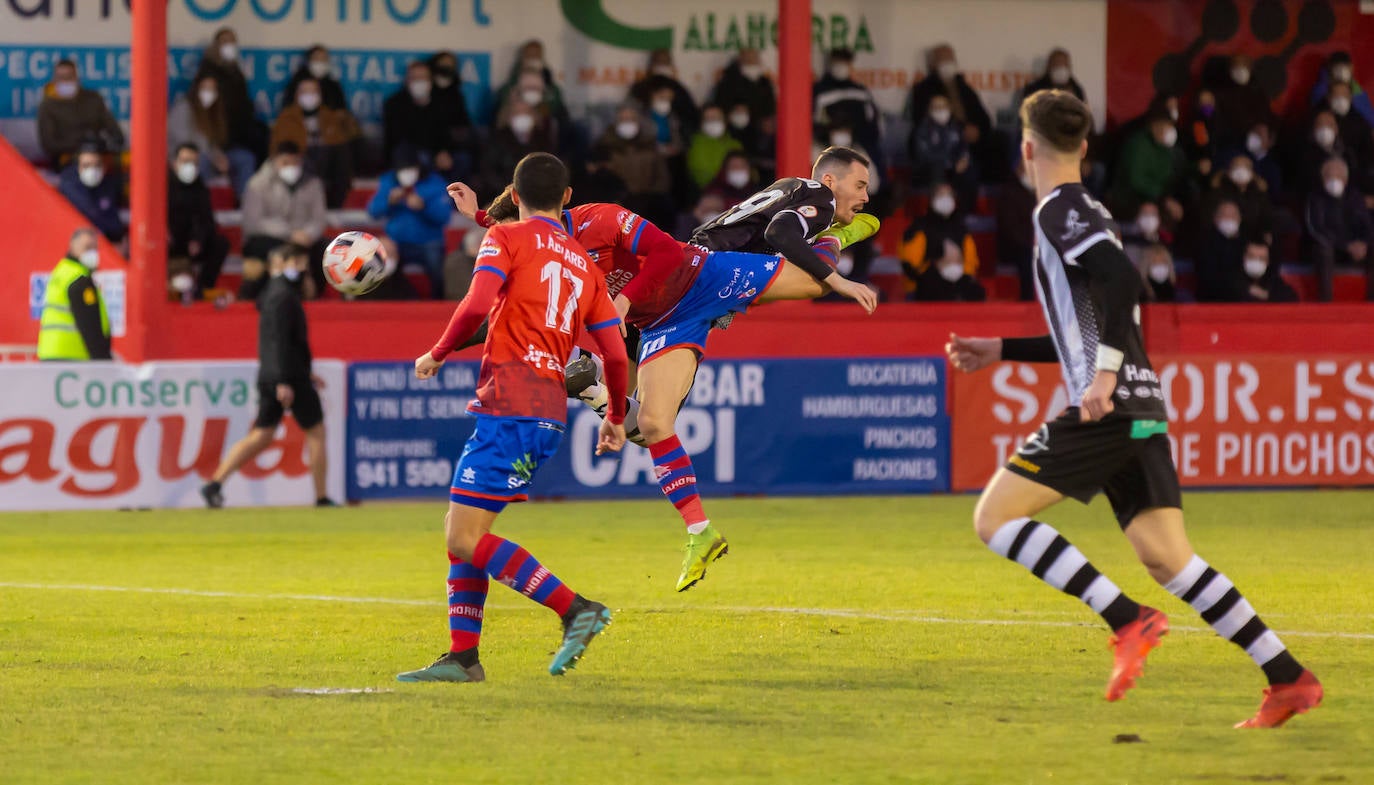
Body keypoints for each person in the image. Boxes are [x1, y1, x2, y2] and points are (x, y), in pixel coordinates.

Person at [947, 89, 1322, 729]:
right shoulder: (1086, 208)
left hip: (1113, 403)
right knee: (1168, 558)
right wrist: (1003, 348)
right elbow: (1096, 314)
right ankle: (1287, 677)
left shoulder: (1058, 210)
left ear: (1027, 148)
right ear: (1085, 147)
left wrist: (1104, 374)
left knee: (995, 518)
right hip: (1139, 402)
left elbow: (1123, 280)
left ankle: (1128, 619)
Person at [395, 153, 628, 684]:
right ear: (567, 198)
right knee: (464, 529)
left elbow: (478, 304)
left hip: (512, 399)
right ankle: (463, 658)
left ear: (515, 196)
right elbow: (614, 356)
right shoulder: (584, 265)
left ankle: (577, 610)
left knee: (463, 537)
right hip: (547, 409)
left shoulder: (506, 239)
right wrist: (615, 414)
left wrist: (439, 350)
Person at [202, 245, 333, 509]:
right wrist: (284, 379)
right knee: (316, 432)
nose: (302, 269)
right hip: (287, 376)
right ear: (282, 263)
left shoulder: (274, 294)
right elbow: (278, 341)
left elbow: (280, 342)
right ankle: (321, 497)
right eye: (298, 262)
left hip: (278, 374)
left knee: (262, 435)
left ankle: (215, 484)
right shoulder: (283, 297)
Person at [240, 142, 329, 298]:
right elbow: (253, 223)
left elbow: (319, 219)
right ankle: (265, 295)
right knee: (270, 249)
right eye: (285, 162)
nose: (291, 167)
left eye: (295, 162)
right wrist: (289, 234)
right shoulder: (257, 184)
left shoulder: (313, 184)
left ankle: (314, 296)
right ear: (275, 161)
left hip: (304, 238)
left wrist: (307, 235)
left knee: (326, 250)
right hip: (270, 238)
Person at [366, 146, 454, 300]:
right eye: (403, 169)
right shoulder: (389, 181)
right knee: (379, 258)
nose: (406, 172)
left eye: (410, 168)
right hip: (397, 242)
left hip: (428, 242)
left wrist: (423, 207)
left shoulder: (435, 183)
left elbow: (444, 217)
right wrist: (389, 201)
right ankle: (383, 300)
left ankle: (439, 301)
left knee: (437, 268)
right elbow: (373, 211)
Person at [907, 45, 996, 181]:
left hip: (971, 146)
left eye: (950, 59)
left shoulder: (965, 88)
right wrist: (960, 131)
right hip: (941, 145)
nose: (948, 64)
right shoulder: (923, 90)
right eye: (943, 60)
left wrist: (978, 131)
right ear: (932, 64)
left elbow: (983, 118)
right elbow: (921, 121)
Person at [270, 76, 359, 209]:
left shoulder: (330, 116)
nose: (309, 96)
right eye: (305, 92)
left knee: (341, 155)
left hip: (327, 165)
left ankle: (335, 206)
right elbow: (280, 149)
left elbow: (339, 141)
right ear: (297, 95)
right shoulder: (286, 117)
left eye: (313, 92)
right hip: (299, 161)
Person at [167, 74, 259, 197]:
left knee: (244, 158)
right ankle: (201, 199)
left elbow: (216, 142)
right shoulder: (183, 108)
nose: (208, 93)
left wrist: (219, 156)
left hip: (211, 155)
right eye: (205, 88)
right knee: (202, 160)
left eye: (212, 89)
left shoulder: (215, 112)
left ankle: (243, 201)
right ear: (196, 89)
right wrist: (214, 157)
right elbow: (187, 145)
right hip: (183, 157)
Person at [898, 184, 985, 302]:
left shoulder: (961, 228)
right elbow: (910, 265)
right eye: (941, 195)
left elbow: (971, 263)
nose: (945, 199)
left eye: (948, 195)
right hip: (924, 285)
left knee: (976, 293)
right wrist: (937, 265)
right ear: (932, 199)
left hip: (957, 283)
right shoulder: (919, 227)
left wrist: (958, 268)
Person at [592, 104, 674, 229]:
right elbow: (598, 181)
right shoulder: (604, 147)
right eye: (623, 120)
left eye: (631, 119)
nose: (627, 123)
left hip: (648, 207)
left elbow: (662, 179)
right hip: (616, 209)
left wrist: (650, 200)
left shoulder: (650, 146)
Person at [1305, 157, 1374, 301]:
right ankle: (1326, 301)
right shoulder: (1315, 198)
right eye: (1329, 176)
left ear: (1345, 179)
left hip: (1356, 249)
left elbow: (1367, 225)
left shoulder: (1355, 197)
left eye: (1338, 176)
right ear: (1323, 178)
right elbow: (1317, 229)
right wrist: (1345, 245)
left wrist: (1363, 243)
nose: (1334, 180)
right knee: (1323, 250)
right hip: (1332, 248)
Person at [36, 228, 111, 361]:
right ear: (72, 247)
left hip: (50, 353)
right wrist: (103, 359)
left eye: (95, 248)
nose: (92, 252)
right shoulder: (80, 280)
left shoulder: (61, 271)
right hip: (73, 357)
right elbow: (89, 324)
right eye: (87, 247)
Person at [383, 61, 468, 177]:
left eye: (423, 78)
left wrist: (443, 151)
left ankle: (449, 193)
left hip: (437, 153)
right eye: (415, 78)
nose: (419, 82)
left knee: (462, 159)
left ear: (430, 81)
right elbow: (398, 138)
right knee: (412, 156)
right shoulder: (394, 104)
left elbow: (445, 133)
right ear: (407, 81)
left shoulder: (441, 102)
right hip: (411, 154)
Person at [193, 27, 266, 163]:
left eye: (232, 42)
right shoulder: (208, 71)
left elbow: (243, 103)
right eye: (225, 42)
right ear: (216, 45)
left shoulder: (235, 71)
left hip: (237, 132)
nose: (230, 46)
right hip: (218, 133)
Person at [36, 59, 123, 169]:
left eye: (69, 76)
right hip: (66, 162)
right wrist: (80, 146)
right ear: (54, 79)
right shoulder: (48, 106)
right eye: (61, 77)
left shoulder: (93, 100)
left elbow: (115, 132)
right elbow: (49, 144)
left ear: (77, 77)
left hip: (98, 159)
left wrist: (102, 145)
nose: (66, 80)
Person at [169, 143, 230, 297]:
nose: (189, 167)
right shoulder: (164, 186)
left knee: (220, 243)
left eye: (193, 163)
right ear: (175, 163)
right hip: (169, 241)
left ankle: (202, 288)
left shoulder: (200, 188)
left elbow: (207, 220)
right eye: (185, 161)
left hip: (191, 243)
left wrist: (198, 239)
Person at [813, 49, 884, 176]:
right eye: (837, 62)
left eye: (844, 62)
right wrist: (828, 134)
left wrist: (856, 135)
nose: (840, 66)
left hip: (856, 144)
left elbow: (872, 122)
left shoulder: (860, 91)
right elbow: (813, 123)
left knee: (871, 175)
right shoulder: (819, 91)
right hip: (825, 145)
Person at [1109, 112, 1186, 223]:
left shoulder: (1166, 148)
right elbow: (1137, 181)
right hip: (1130, 199)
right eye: (1166, 125)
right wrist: (1163, 199)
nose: (1170, 130)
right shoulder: (1139, 145)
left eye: (1171, 126)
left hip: (1155, 198)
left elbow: (1166, 177)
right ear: (1155, 126)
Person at [909, 92, 975, 201]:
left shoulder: (955, 127)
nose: (940, 110)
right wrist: (952, 163)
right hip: (930, 170)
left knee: (970, 172)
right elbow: (924, 156)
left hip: (953, 169)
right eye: (936, 107)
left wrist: (964, 159)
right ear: (929, 109)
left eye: (943, 106)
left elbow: (964, 148)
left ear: (950, 108)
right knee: (937, 171)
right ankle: (938, 210)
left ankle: (965, 213)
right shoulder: (923, 129)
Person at [58, 145, 125, 244]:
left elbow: (113, 220)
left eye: (97, 165)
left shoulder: (109, 186)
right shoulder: (68, 187)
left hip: (105, 244)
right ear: (78, 167)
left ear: (104, 167)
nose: (92, 170)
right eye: (86, 165)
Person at [630, 49, 700, 134]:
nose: (662, 65)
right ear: (651, 65)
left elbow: (691, 116)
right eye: (658, 62)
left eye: (665, 62)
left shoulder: (679, 89)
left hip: (675, 140)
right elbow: (630, 113)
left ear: (671, 65)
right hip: (645, 139)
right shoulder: (639, 88)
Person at [997, 160, 1039, 301]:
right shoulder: (1009, 192)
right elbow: (1010, 228)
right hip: (1015, 246)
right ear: (1018, 170)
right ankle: (1027, 300)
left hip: (1036, 242)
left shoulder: (1038, 191)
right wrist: (1031, 242)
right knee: (1028, 257)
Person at [710, 49, 775, 129]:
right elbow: (720, 106)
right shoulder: (728, 80)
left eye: (754, 57)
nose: (751, 59)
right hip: (731, 129)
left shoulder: (764, 82)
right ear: (740, 58)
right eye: (747, 56)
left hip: (758, 130)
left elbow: (770, 109)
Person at [686, 105, 744, 190]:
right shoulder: (694, 145)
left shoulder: (735, 144)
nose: (713, 122)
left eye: (717, 118)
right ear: (701, 123)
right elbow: (702, 176)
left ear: (725, 120)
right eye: (708, 119)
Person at [281, 45, 348, 110]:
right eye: (316, 59)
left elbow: (342, 111)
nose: (320, 62)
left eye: (323, 59)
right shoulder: (296, 83)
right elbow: (288, 107)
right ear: (309, 60)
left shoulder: (334, 86)